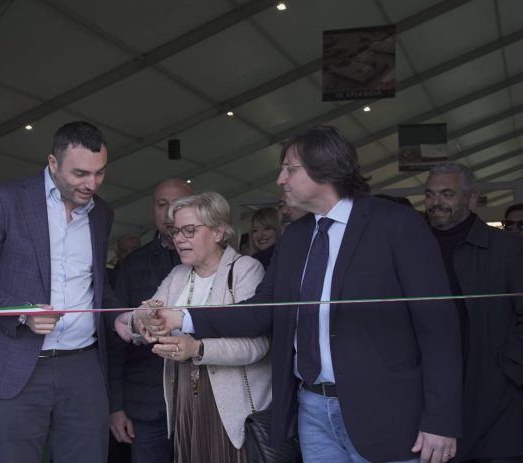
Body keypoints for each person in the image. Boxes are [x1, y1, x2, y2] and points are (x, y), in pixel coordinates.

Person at [142, 126, 463, 463]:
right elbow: (262, 309)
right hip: (312, 411)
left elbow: (438, 328)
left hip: (388, 413)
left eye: (289, 169)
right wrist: (182, 317)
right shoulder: (296, 236)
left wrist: (441, 419)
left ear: (324, 168)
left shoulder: (397, 225)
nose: (280, 179)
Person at [0, 121, 121, 463]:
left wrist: (124, 319)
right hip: (12, 366)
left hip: (83, 367)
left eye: (100, 172)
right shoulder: (6, 199)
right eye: (80, 173)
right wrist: (22, 312)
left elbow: (96, 285)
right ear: (53, 163)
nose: (91, 184)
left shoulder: (102, 213)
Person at [118, 192, 270, 463]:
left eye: (189, 230)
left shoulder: (245, 270)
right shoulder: (178, 275)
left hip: (232, 406)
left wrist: (198, 349)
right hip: (186, 399)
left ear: (218, 232)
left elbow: (256, 347)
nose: (179, 238)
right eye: (175, 231)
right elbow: (142, 316)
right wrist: (145, 320)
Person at [425, 163, 523, 462]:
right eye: (430, 194)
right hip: (431, 394)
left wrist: (507, 370)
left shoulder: (508, 248)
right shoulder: (414, 245)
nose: (436, 202)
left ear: (471, 198)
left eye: (447, 194)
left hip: (496, 399)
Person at [107, 177, 191, 463]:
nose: (169, 212)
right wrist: (115, 406)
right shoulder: (132, 265)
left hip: (203, 400)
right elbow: (116, 339)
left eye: (177, 204)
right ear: (152, 209)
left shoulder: (215, 261)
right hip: (146, 403)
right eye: (162, 204)